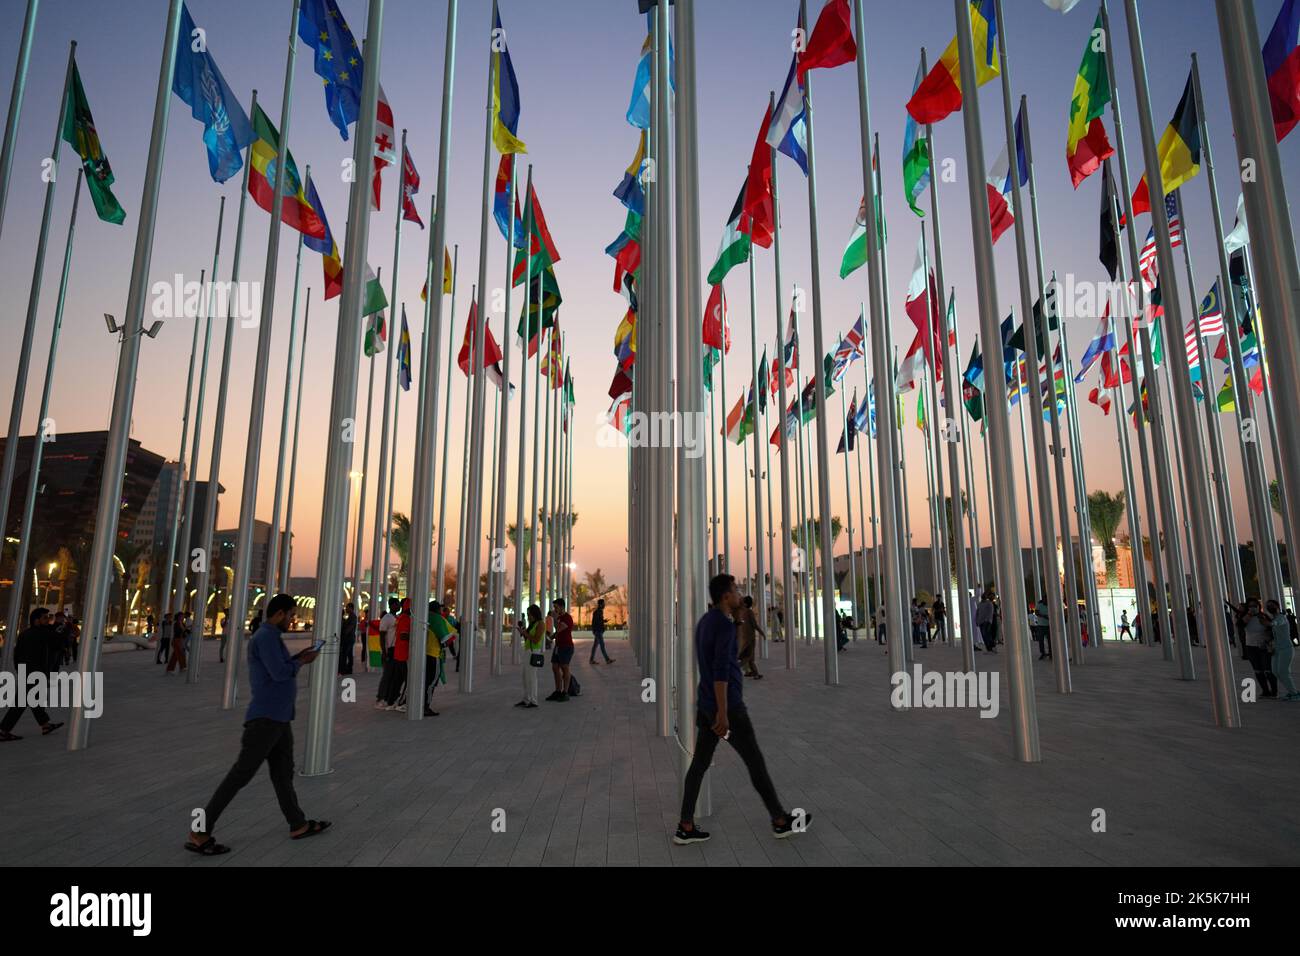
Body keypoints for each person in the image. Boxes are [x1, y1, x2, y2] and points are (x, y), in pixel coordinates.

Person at [184, 593, 330, 855]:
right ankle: (200, 831)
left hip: (280, 718)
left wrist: (299, 657)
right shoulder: (265, 637)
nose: (293, 619)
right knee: (240, 775)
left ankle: (297, 823)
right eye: (291, 614)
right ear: (279, 614)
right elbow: (280, 672)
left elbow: (281, 665)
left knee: (283, 773)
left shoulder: (271, 637)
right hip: (266, 719)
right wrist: (301, 661)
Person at [675, 574, 810, 845]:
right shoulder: (723, 627)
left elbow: (718, 657)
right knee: (755, 762)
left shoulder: (706, 622)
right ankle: (780, 820)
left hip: (706, 703)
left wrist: (736, 621)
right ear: (726, 596)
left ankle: (685, 825)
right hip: (728, 709)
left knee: (699, 764)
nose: (739, 595)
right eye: (735, 591)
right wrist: (723, 714)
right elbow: (721, 672)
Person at [0, 608, 64, 741]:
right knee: (22, 701)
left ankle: (45, 725)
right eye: (45, 618)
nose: (48, 620)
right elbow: (58, 645)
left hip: (27, 672)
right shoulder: (41, 634)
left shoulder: (25, 634)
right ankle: (3, 730)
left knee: (33, 700)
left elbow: (16, 655)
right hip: (34, 673)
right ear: (36, 620)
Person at [1238, 598, 1278, 699]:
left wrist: (1269, 641)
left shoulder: (1264, 616)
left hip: (1263, 646)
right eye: (1250, 606)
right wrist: (1249, 615)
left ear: (1258, 607)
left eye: (1255, 606)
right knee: (1258, 670)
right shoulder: (1244, 617)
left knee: (1268, 669)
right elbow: (1240, 625)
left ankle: (1274, 691)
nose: (1252, 608)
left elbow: (1271, 629)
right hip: (1251, 646)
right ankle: (1265, 690)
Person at [1267, 600, 1299, 700]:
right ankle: (1292, 691)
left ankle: (1294, 694)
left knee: (1283, 672)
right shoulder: (1275, 618)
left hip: (1286, 648)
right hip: (1276, 649)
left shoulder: (1281, 617)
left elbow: (1275, 623)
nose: (1270, 607)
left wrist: (1268, 623)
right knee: (1275, 671)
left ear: (1277, 606)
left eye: (1272, 605)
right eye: (1268, 606)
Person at [516, 604, 545, 708]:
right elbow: (528, 639)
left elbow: (536, 639)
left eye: (530, 614)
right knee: (525, 676)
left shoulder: (541, 624)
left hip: (534, 652)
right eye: (528, 615)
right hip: (528, 651)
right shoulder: (532, 624)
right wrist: (523, 633)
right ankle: (526, 698)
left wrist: (526, 633)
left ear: (535, 613)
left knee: (532, 677)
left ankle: (533, 700)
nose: (529, 617)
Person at [546, 599, 575, 701]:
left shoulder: (567, 618)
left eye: (556, 607)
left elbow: (558, 629)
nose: (555, 609)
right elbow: (557, 632)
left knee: (564, 668)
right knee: (555, 667)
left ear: (562, 607)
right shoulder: (559, 618)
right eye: (554, 607)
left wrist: (554, 618)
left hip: (566, 647)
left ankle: (565, 692)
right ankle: (558, 690)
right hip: (558, 646)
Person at [375, 597, 401, 709]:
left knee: (394, 675)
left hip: (397, 649)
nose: (399, 606)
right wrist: (384, 652)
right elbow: (381, 636)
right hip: (389, 650)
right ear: (391, 605)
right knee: (387, 675)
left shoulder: (397, 617)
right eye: (397, 604)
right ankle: (380, 699)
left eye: (399, 604)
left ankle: (389, 698)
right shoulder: (387, 618)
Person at [736, 595, 765, 678]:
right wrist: (761, 632)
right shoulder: (749, 612)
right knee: (749, 657)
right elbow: (754, 625)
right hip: (750, 638)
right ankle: (737, 668)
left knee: (746, 655)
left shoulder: (741, 612)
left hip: (743, 637)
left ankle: (753, 672)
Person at [422, 601, 443, 717]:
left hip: (425, 653)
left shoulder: (426, 618)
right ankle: (425, 706)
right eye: (440, 609)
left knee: (425, 681)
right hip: (434, 654)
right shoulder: (437, 620)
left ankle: (422, 704)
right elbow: (443, 637)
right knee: (431, 682)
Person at [589, 598, 613, 664]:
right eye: (603, 604)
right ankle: (607, 659)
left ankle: (591, 660)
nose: (604, 605)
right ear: (600, 604)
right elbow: (596, 622)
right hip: (598, 631)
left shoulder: (599, 611)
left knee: (595, 646)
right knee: (602, 645)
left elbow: (598, 621)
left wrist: (603, 621)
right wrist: (602, 622)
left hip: (598, 631)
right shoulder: (597, 612)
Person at [339, 603, 357, 676]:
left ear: (351, 608)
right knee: (348, 654)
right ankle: (348, 669)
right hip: (349, 638)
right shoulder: (350, 617)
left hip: (348, 639)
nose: (346, 609)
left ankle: (345, 669)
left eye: (347, 607)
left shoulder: (353, 617)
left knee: (345, 654)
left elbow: (350, 628)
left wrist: (344, 633)